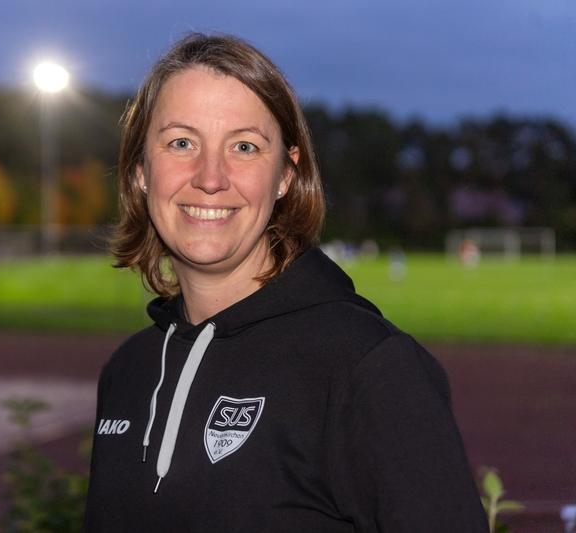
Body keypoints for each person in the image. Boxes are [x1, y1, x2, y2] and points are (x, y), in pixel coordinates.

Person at [84, 33, 488, 532]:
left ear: (285, 176)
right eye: (181, 143)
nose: (210, 177)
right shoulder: (128, 370)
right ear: (141, 170)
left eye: (244, 147)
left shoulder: (369, 367)